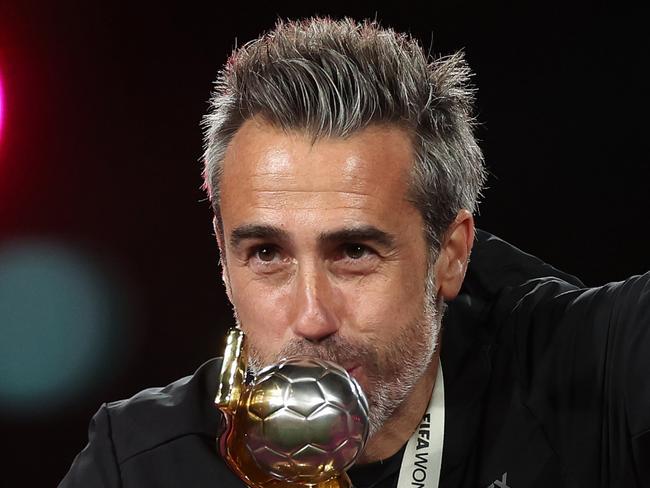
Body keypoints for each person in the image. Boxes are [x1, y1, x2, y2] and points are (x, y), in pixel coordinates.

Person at [59, 17, 649, 487]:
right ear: (222, 252)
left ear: (450, 254)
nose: (312, 318)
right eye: (267, 254)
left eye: (354, 251)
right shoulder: (138, 464)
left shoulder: (597, 370)